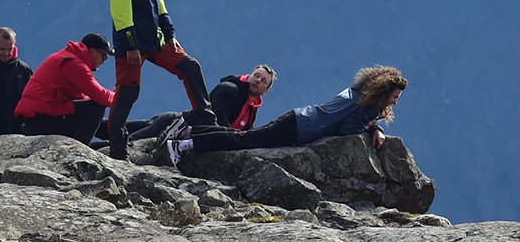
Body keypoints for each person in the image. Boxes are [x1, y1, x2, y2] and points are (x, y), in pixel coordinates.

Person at [104, 0, 216, 160]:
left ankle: (206, 123)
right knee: (127, 93)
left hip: (157, 39)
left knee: (190, 67)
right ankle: (117, 147)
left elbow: (159, 1)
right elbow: (121, 13)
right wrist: (131, 45)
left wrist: (170, 34)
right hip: (132, 44)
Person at [166, 65, 408, 171]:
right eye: (394, 96)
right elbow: (347, 128)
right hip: (299, 130)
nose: (395, 101)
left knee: (244, 138)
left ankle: (190, 133)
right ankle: (185, 144)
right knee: (242, 141)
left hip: (298, 118)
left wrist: (375, 127)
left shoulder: (360, 90)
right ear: (384, 92)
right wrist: (371, 128)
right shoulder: (371, 106)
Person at [94, 64, 277, 149]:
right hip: (175, 124)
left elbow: (245, 130)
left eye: (263, 81)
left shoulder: (251, 107)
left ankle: (84, 126)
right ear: (249, 75)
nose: (258, 80)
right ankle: (85, 141)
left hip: (174, 120)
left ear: (266, 90)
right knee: (126, 143)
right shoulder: (229, 90)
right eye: (256, 75)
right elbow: (217, 116)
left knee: (118, 130)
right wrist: (233, 139)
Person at [14, 33, 116, 145]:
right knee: (96, 107)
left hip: (38, 119)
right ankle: (79, 149)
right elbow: (100, 96)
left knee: (95, 116)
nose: (103, 61)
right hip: (38, 121)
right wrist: (121, 98)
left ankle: (130, 133)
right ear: (93, 52)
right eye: (104, 56)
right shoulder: (72, 63)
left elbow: (84, 101)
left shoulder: (68, 58)